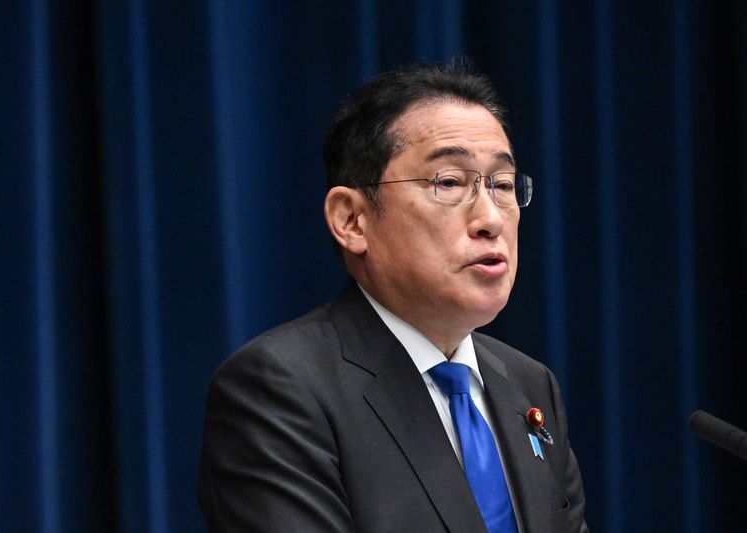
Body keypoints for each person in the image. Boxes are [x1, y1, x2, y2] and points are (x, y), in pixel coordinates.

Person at [197, 60, 588, 532]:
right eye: (449, 183)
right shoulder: (280, 389)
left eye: (502, 185)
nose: (491, 218)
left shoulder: (528, 384)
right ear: (351, 220)